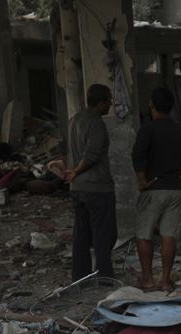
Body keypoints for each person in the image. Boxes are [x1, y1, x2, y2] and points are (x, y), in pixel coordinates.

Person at [131, 87, 181, 292]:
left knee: (144, 234)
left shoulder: (147, 129)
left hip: (153, 189)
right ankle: (165, 280)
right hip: (174, 189)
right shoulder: (179, 130)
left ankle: (147, 280)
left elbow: (137, 156)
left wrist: (142, 180)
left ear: (151, 105)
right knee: (168, 235)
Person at [64, 84, 117, 282]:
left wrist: (69, 172)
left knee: (81, 234)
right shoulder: (96, 123)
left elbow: (65, 149)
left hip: (77, 188)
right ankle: (104, 277)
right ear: (101, 102)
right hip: (97, 187)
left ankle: (80, 276)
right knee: (104, 234)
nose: (111, 104)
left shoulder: (73, 120)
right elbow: (92, 154)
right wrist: (76, 170)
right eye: (109, 100)